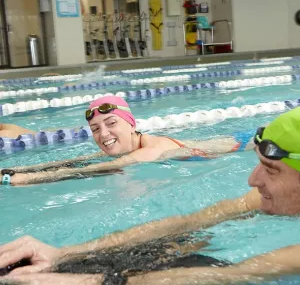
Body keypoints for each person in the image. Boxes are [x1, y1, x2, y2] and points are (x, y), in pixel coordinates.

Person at [1, 107, 300, 284]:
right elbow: (189, 222)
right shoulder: (260, 197)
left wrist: (100, 281)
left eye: (270, 170)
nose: (252, 180)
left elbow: (236, 274)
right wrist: (64, 254)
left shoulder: (150, 151)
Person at [0, 96, 252, 186]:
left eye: (112, 124)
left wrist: (23, 180)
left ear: (131, 124)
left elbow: (95, 170)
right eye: (95, 128)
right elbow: (80, 161)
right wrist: (16, 170)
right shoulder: (136, 145)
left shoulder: (151, 149)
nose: (104, 135)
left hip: (243, 145)